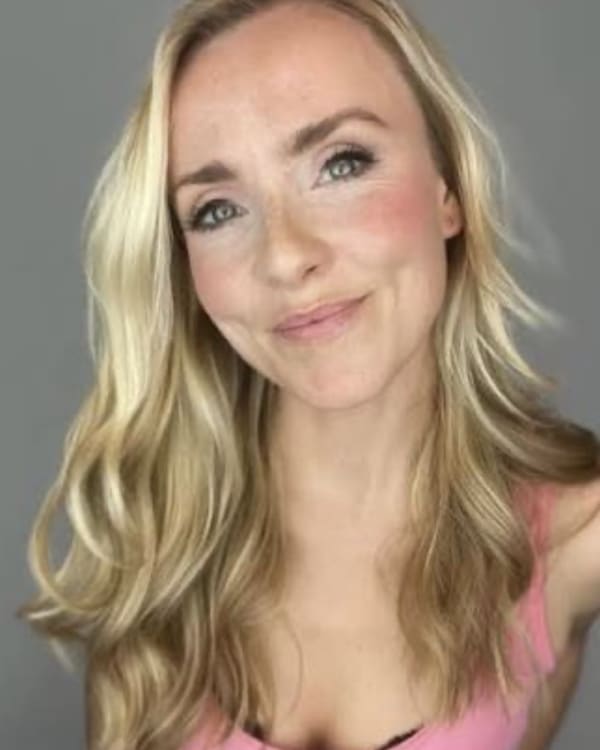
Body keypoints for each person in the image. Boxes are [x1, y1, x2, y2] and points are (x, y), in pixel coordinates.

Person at [16, 1, 600, 749]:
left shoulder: (576, 537)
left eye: (341, 164)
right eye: (217, 210)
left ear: (447, 192)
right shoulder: (156, 545)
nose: (286, 256)